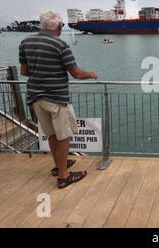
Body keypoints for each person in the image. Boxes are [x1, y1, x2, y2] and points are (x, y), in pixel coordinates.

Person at [19, 11, 98, 189]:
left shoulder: (26, 42)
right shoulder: (60, 44)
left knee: (52, 135)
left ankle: (58, 166)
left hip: (35, 97)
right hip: (57, 98)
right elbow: (76, 73)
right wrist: (91, 75)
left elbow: (24, 72)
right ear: (59, 26)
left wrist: (42, 74)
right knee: (64, 137)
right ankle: (63, 176)